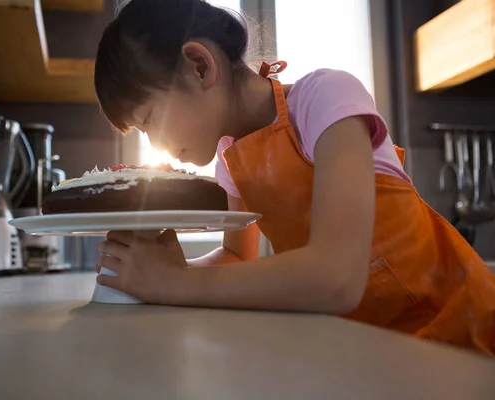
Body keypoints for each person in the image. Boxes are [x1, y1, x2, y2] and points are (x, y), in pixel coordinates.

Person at [93, 0, 495, 354]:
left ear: (200, 66)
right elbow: (235, 257)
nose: (156, 143)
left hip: (462, 338)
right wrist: (163, 269)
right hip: (373, 350)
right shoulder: (229, 159)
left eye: (149, 120)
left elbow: (336, 277)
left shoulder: (326, 97)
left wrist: (171, 284)